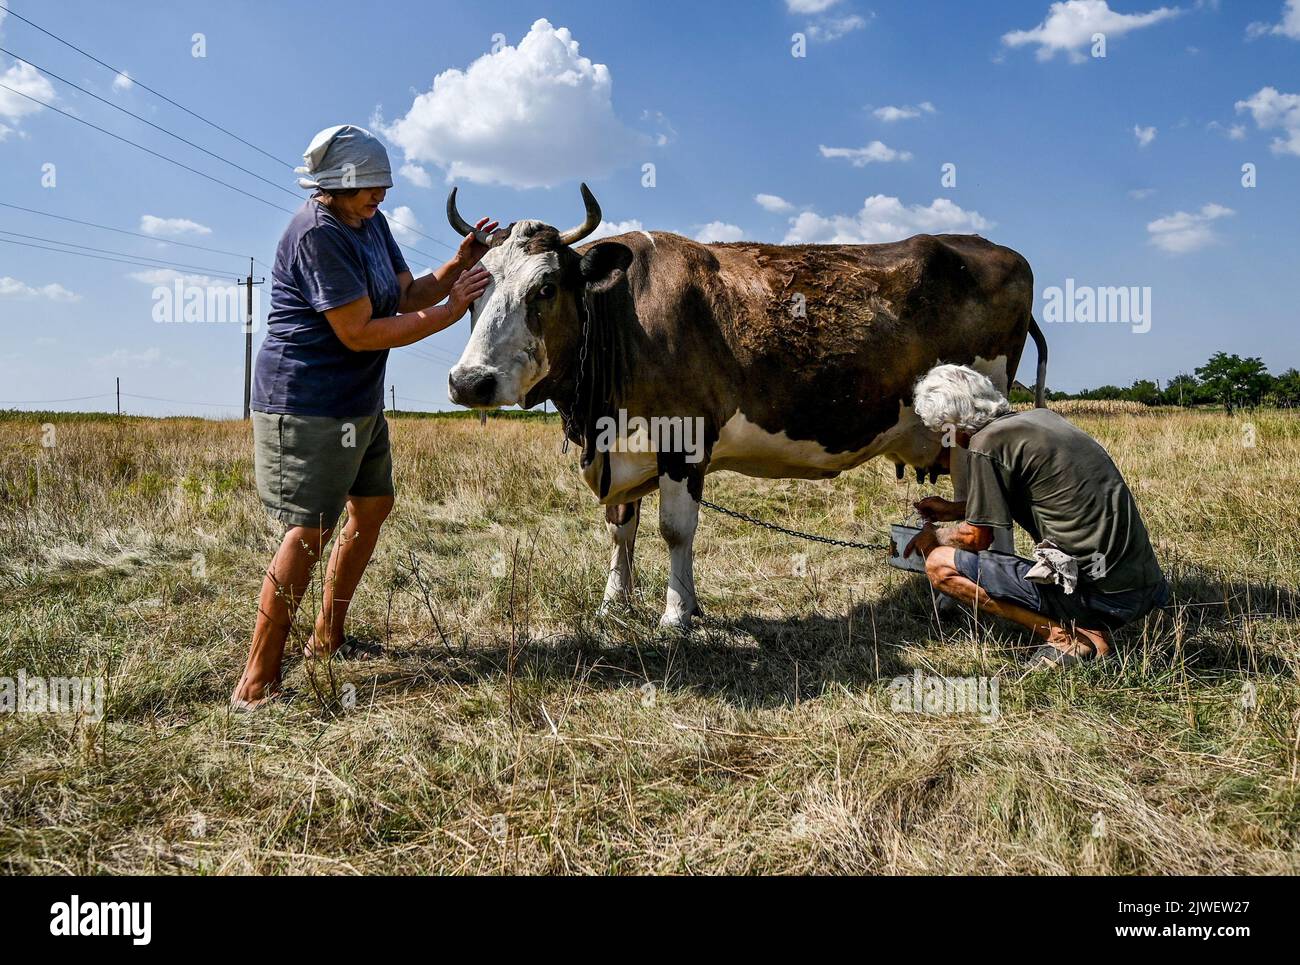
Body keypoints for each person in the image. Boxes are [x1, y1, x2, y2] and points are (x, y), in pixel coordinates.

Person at [231, 124, 495, 709]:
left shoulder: (370, 224)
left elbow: (404, 296)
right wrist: (454, 311)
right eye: (369, 187)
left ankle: (328, 635)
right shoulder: (316, 235)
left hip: (359, 403)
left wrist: (457, 264)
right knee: (308, 533)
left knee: (372, 507)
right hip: (306, 401)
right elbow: (359, 331)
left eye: (383, 185)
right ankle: (256, 681)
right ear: (333, 186)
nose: (380, 196)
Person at [903, 364, 1169, 668]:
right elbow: (1036, 493)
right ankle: (1090, 629)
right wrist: (952, 509)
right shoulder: (1042, 419)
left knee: (940, 565)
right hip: (1145, 586)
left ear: (953, 423)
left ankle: (1065, 639)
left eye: (943, 431)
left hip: (1104, 598)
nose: (947, 441)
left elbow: (977, 538)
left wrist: (934, 537)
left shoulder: (984, 444)